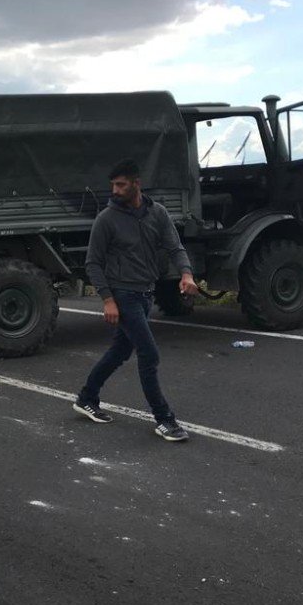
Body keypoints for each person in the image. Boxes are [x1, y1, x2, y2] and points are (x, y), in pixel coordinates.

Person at [73, 158, 199, 443]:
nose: (115, 190)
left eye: (121, 185)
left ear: (136, 184)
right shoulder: (106, 219)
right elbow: (92, 263)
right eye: (113, 185)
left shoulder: (158, 213)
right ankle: (165, 420)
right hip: (123, 295)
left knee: (119, 351)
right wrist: (107, 300)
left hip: (145, 293)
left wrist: (186, 274)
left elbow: (175, 246)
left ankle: (86, 397)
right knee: (149, 354)